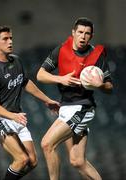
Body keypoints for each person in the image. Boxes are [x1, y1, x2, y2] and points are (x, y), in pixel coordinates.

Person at [37, 17, 113, 180]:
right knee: (78, 161)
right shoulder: (61, 50)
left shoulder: (96, 55)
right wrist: (61, 79)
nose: (83, 36)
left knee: (46, 144)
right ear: (73, 33)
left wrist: (99, 84)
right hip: (67, 107)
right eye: (80, 32)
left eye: (87, 33)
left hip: (82, 108)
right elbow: (40, 75)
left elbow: (109, 87)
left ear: (91, 36)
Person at [0, 25, 60, 180]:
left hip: (15, 115)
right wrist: (12, 116)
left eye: (11, 38)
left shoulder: (16, 61)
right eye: (5, 39)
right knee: (21, 159)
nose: (10, 41)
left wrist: (48, 100)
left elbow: (25, 82)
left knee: (32, 162)